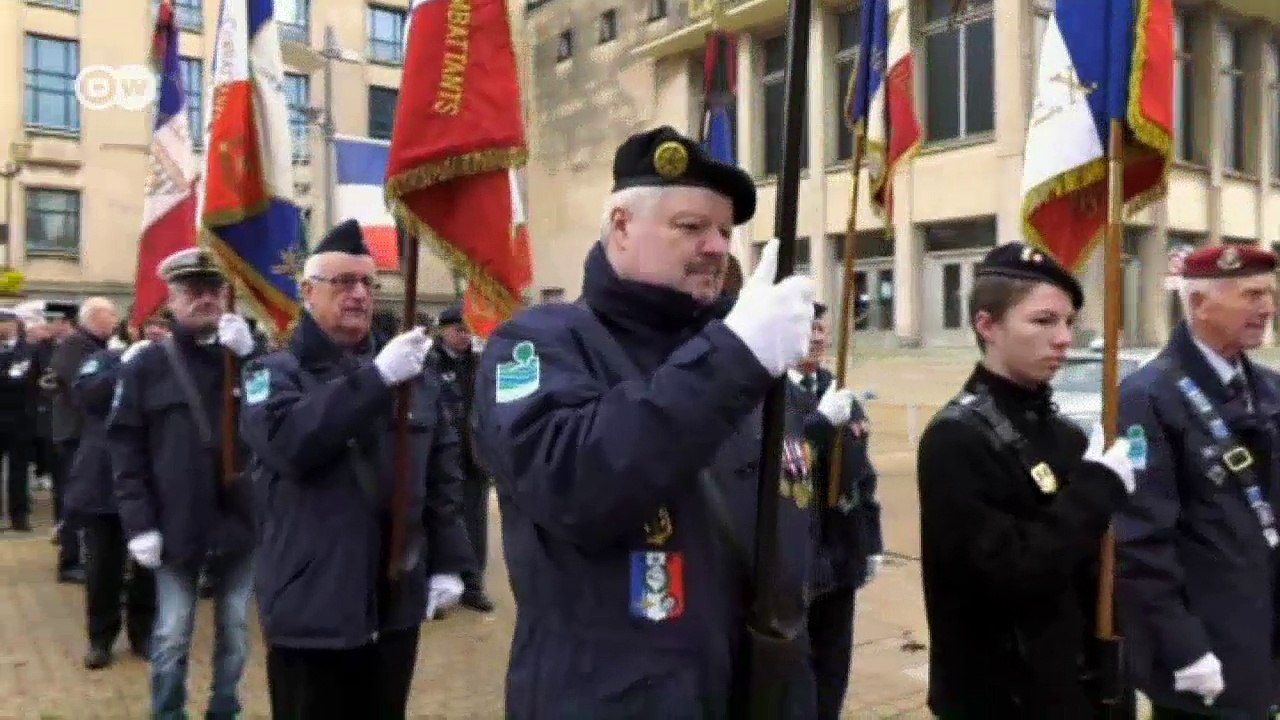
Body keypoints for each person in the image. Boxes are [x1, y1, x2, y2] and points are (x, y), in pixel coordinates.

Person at [470, 126, 817, 716]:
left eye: (725, 232)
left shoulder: (736, 353)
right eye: (691, 227)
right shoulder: (537, 343)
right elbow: (572, 481)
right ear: (622, 226)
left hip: (755, 686)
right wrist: (734, 357)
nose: (716, 246)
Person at [240, 219, 473, 717]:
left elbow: (441, 474)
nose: (360, 294)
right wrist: (376, 379)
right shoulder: (271, 373)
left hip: (394, 594)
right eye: (344, 282)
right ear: (307, 292)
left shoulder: (413, 372)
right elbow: (289, 445)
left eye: (369, 283)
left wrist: (450, 560)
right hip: (312, 599)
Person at [915, 243, 1136, 718]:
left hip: (1084, 681)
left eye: (1068, 322)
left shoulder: (1065, 434)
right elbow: (1013, 574)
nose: (1063, 339)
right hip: (1006, 695)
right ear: (987, 325)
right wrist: (1095, 490)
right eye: (1043, 321)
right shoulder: (957, 438)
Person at [1116, 245, 1280, 718]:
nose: (1267, 308)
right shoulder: (1147, 398)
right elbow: (1141, 541)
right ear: (1198, 303)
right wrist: (1182, 647)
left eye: (1268, 294)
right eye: (1251, 295)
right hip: (1206, 650)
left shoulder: (1267, 389)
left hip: (1264, 635)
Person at [107, 248, 259, 720]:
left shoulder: (247, 359)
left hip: (240, 521)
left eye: (214, 290)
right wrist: (138, 525)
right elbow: (126, 450)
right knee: (172, 632)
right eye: (192, 291)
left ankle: (224, 709)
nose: (205, 299)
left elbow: (275, 425)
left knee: (235, 628)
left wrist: (255, 362)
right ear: (171, 299)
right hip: (175, 522)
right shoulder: (145, 365)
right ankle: (168, 713)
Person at [789, 302, 884, 720]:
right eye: (808, 328)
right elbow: (780, 466)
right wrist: (820, 425)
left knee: (833, 670)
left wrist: (872, 542)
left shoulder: (839, 393)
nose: (818, 337)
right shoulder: (769, 397)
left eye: (823, 329)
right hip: (795, 560)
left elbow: (863, 478)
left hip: (842, 554)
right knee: (794, 674)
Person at [67, 330, 163, 669]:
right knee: (102, 567)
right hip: (103, 481)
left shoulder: (167, 364)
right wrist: (125, 365)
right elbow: (88, 396)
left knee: (148, 568)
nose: (155, 330)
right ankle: (100, 638)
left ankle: (144, 632)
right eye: (147, 323)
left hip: (150, 479)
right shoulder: (103, 360)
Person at [424, 301, 495, 613]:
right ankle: (438, 587)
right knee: (439, 521)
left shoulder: (479, 364)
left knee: (475, 523)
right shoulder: (430, 362)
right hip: (438, 458)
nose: (465, 336)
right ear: (444, 331)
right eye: (459, 329)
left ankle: (472, 585)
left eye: (469, 330)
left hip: (472, 457)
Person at [50, 297, 118, 581]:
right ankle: (69, 561)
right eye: (111, 315)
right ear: (95, 318)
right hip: (75, 433)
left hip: (85, 433)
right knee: (73, 497)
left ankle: (83, 558)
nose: (116, 320)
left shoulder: (94, 346)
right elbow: (81, 388)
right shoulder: (76, 345)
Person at [0, 308, 37, 533]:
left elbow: (23, 378)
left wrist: (9, 377)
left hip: (20, 418)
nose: (3, 326)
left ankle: (19, 515)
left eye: (7, 322)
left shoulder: (28, 350)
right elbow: (12, 377)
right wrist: (9, 376)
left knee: (19, 470)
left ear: (16, 324)